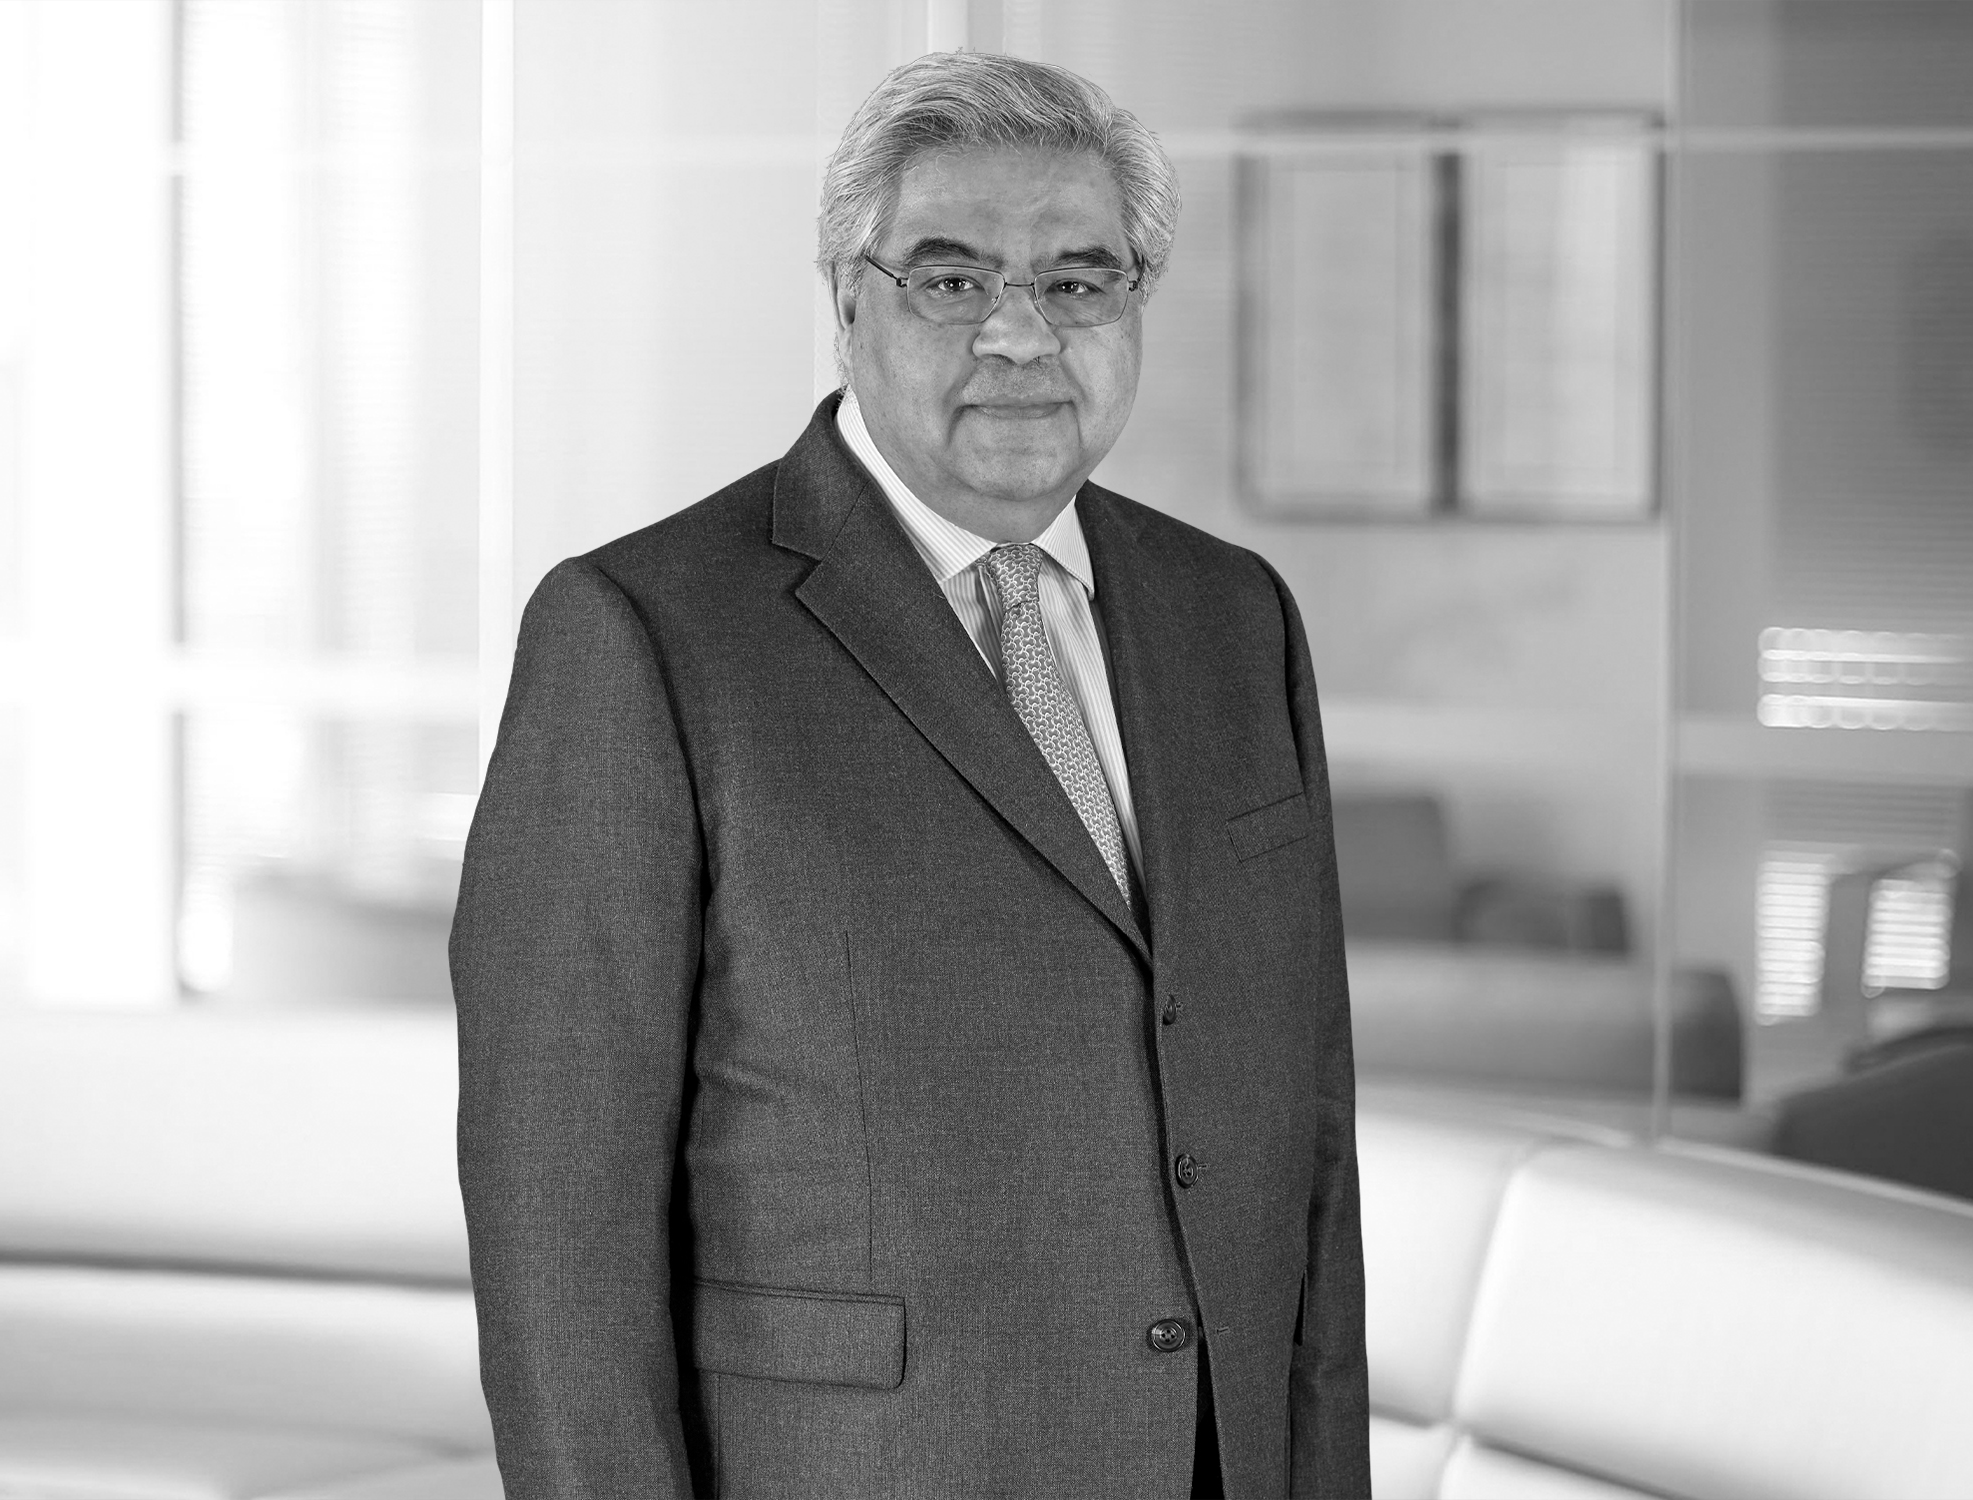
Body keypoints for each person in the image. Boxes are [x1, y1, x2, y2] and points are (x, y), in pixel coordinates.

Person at [451, 49, 1367, 1499]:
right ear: (846, 301)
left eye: (1079, 281)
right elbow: (558, 1213)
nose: (1021, 334)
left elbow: (1309, 1146)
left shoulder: (1233, 618)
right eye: (951, 280)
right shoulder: (645, 634)